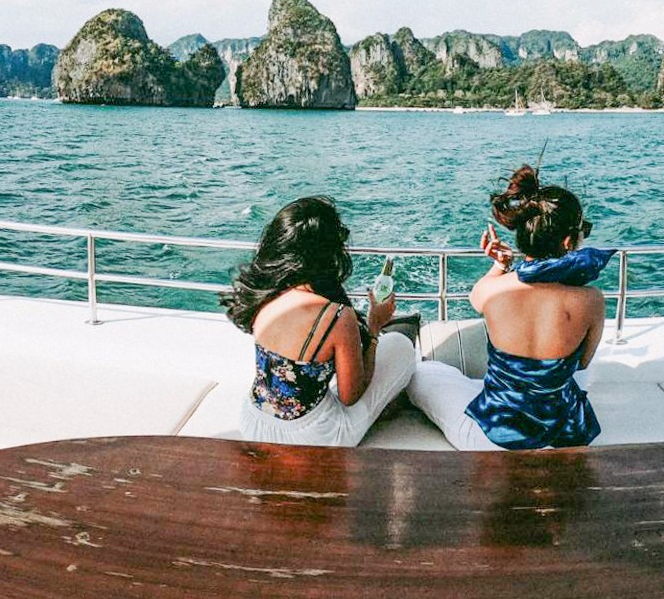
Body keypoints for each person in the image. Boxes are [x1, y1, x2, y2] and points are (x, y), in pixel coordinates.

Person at [409, 165, 606, 450]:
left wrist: (501, 265)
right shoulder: (591, 300)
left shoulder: (494, 290)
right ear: (567, 242)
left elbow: (476, 298)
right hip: (560, 437)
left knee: (423, 373)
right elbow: (582, 364)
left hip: (492, 439)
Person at [223, 196, 416, 446]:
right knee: (400, 346)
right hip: (313, 438)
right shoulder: (336, 316)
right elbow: (350, 396)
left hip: (254, 422)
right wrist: (374, 328)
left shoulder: (264, 293)